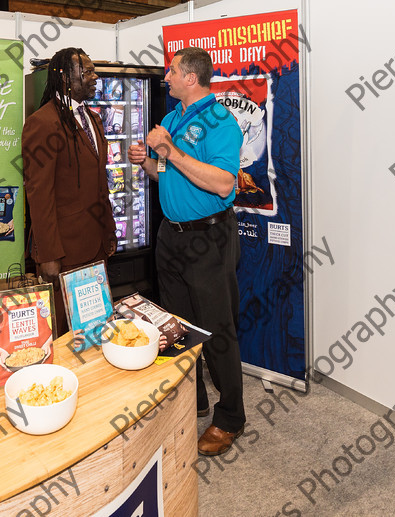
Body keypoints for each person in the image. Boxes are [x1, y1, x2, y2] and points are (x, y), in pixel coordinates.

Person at [128, 47, 245, 456]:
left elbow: (223, 184)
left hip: (208, 239)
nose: (166, 76)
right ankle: (189, 401)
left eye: (173, 70)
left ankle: (231, 418)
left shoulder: (221, 120)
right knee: (176, 326)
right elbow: (164, 176)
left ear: (191, 78)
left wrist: (169, 151)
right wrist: (146, 161)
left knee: (217, 330)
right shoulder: (175, 118)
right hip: (171, 237)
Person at [22, 47, 116, 338]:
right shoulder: (43, 123)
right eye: (86, 71)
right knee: (65, 333)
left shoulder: (94, 119)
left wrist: (108, 231)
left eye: (93, 71)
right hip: (63, 251)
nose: (94, 76)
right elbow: (39, 194)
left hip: (96, 244)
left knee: (94, 329)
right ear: (64, 78)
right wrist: (48, 254)